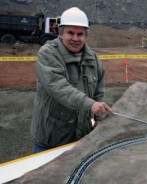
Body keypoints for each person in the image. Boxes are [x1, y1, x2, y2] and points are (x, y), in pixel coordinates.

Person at [31, 7, 112, 153]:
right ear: (60, 33)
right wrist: (90, 104)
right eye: (70, 33)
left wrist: (99, 119)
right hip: (51, 139)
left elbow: (98, 93)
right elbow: (57, 87)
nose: (75, 38)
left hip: (81, 138)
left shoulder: (93, 59)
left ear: (85, 36)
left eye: (80, 34)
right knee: (48, 176)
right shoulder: (48, 54)